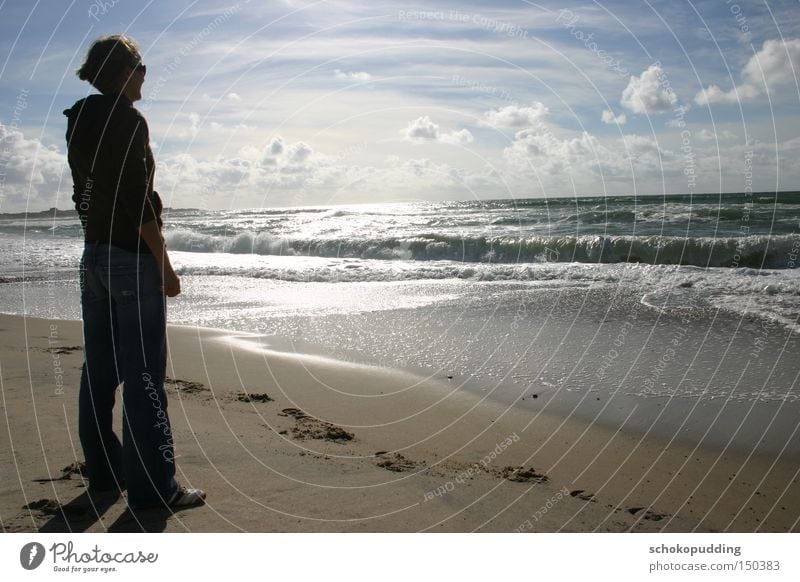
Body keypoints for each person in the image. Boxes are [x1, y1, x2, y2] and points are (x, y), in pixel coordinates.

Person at [64, 35, 205, 509]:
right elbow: (136, 197)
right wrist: (163, 263)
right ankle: (154, 488)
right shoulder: (127, 120)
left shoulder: (78, 119)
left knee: (99, 372)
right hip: (129, 258)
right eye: (140, 67)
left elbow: (82, 194)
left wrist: (96, 240)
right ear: (122, 71)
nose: (146, 75)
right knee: (145, 377)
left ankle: (105, 475)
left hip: (95, 257)